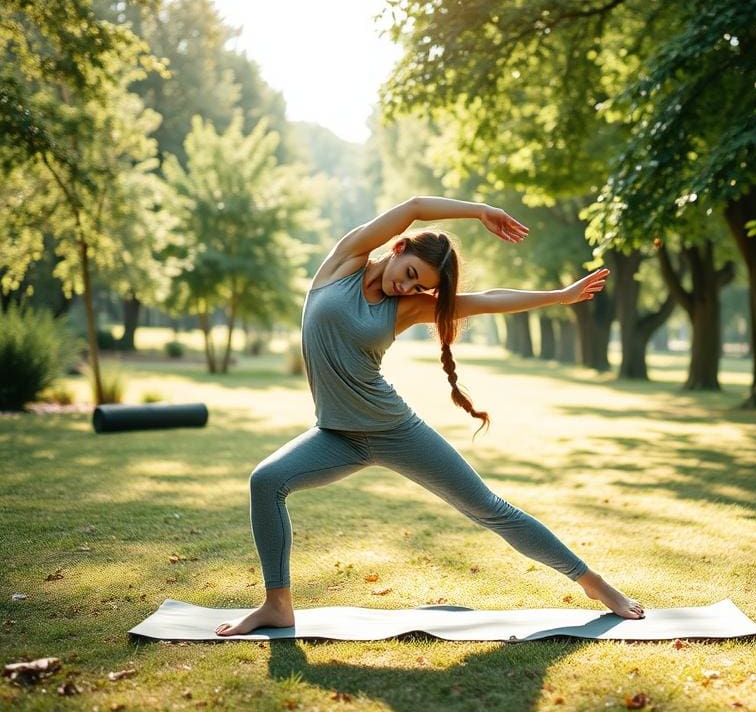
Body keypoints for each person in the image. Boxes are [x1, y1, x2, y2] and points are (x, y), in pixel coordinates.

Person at [216, 196, 643, 635]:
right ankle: (277, 605)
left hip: (393, 430)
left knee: (488, 509)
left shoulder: (405, 309)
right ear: (399, 249)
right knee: (266, 481)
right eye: (411, 275)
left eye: (420, 287)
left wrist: (560, 296)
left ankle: (595, 584)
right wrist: (479, 211)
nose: (409, 288)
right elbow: (414, 206)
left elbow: (488, 300)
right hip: (335, 435)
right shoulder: (344, 262)